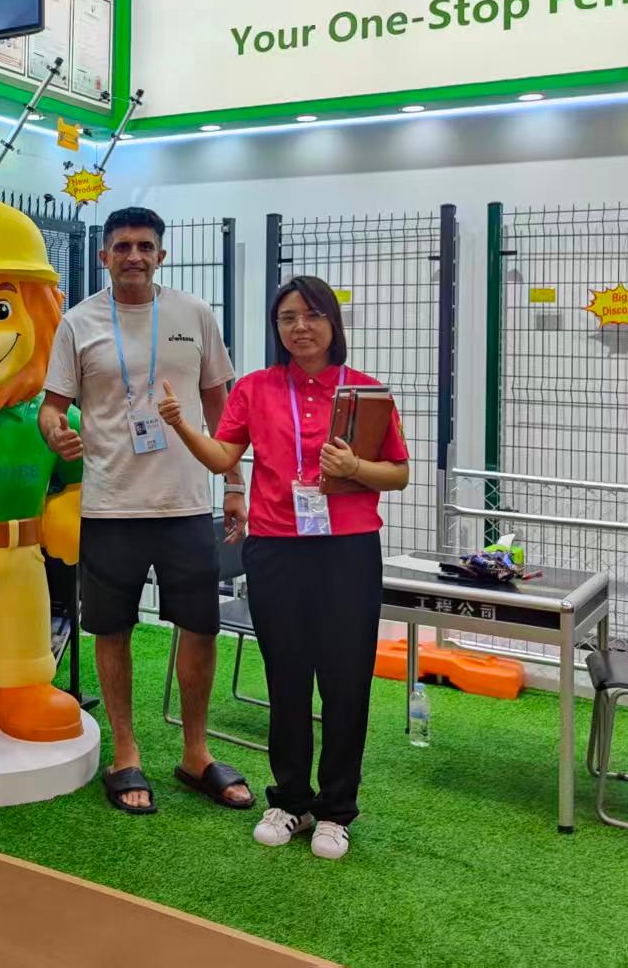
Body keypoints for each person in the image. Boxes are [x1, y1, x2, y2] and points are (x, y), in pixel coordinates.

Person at [162, 274, 409, 861]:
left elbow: (397, 473)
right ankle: (291, 800)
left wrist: (354, 467)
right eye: (287, 318)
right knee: (287, 677)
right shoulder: (254, 388)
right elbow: (226, 456)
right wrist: (180, 425)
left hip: (347, 549)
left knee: (346, 681)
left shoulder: (366, 392)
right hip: (274, 548)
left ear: (333, 323)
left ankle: (337, 810)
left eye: (312, 315)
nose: (300, 327)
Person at [40, 206, 252, 816]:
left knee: (201, 627)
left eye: (145, 246)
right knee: (113, 630)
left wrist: (233, 482)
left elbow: (223, 413)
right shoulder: (78, 323)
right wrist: (55, 432)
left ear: (162, 254)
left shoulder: (194, 316)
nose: (134, 255)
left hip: (187, 504)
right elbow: (51, 408)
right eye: (122, 246)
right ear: (104, 256)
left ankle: (194, 753)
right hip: (110, 506)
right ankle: (126, 752)